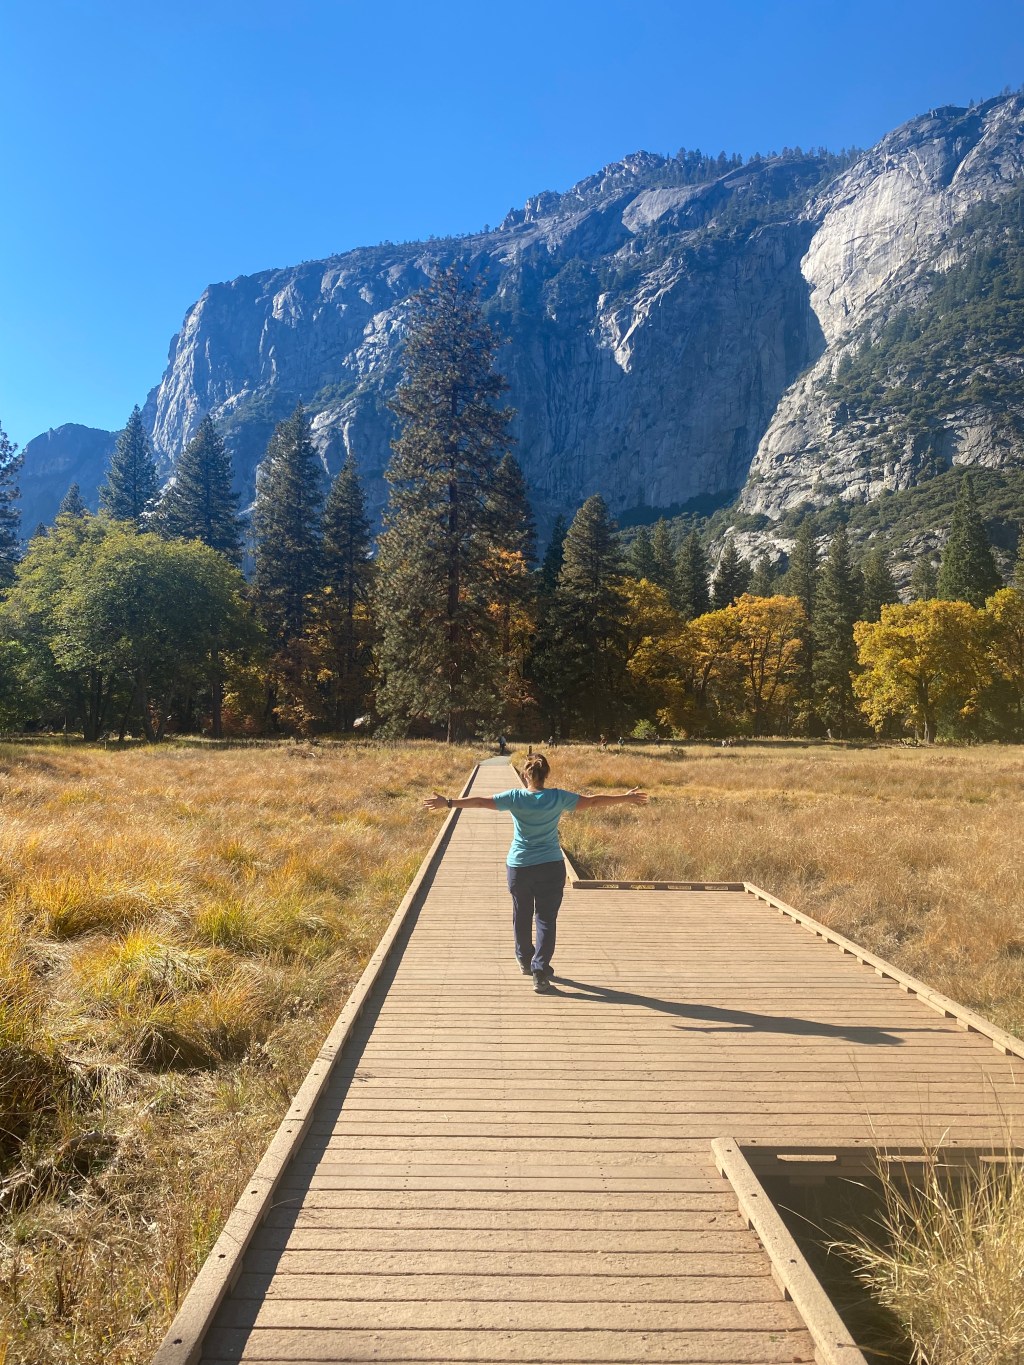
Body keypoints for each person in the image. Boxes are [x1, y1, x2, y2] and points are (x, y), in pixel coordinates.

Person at [425, 754, 649, 993]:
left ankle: (524, 959)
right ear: (547, 775)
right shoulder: (558, 797)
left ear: (524, 775)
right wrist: (625, 798)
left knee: (521, 914)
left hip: (519, 866)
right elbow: (592, 802)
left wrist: (448, 802)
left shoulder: (515, 797)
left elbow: (480, 802)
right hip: (551, 866)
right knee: (545, 919)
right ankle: (540, 970)